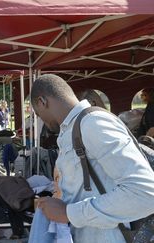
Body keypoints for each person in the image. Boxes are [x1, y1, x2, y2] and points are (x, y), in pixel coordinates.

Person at [31, 74, 154, 242]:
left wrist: (68, 213)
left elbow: (145, 193)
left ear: (42, 102)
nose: (42, 121)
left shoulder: (93, 123)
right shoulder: (75, 128)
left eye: (38, 114)